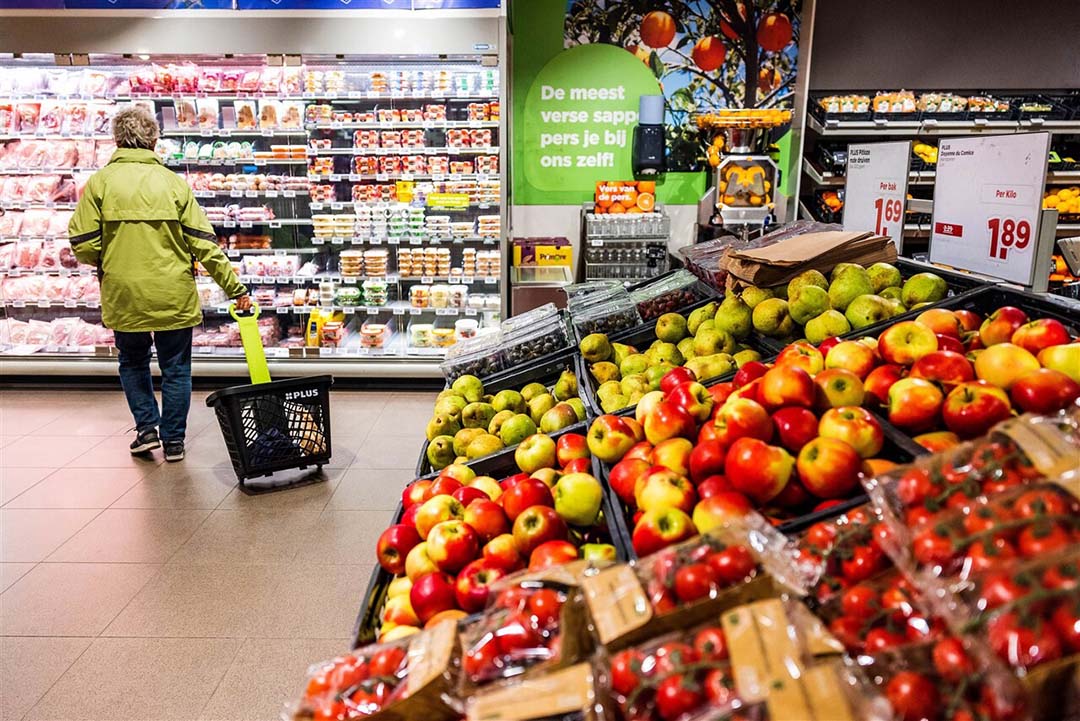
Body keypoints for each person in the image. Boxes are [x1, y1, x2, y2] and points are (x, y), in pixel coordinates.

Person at [69, 106, 251, 462]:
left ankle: (147, 430)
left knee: (133, 362)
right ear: (154, 140)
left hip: (124, 293)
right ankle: (174, 441)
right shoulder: (173, 183)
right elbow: (204, 245)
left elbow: (83, 243)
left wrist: (111, 261)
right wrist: (236, 290)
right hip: (173, 292)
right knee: (177, 368)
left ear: (117, 139)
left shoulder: (100, 183)